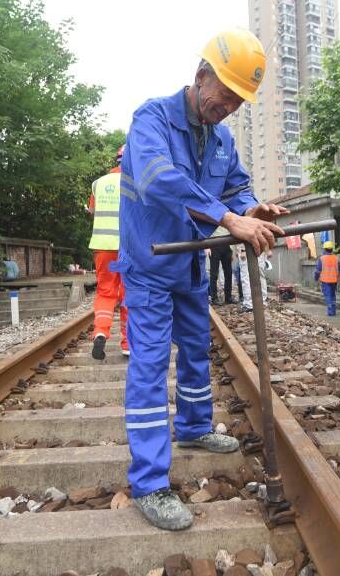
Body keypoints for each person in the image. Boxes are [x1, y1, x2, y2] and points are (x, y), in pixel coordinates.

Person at [116, 28, 288, 530]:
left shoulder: (221, 138)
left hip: (190, 263)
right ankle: (149, 482)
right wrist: (229, 219)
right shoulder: (152, 119)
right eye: (226, 94)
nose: (230, 106)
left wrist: (249, 207)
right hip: (149, 266)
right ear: (200, 77)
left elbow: (234, 185)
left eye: (238, 101)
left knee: (195, 350)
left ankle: (192, 427)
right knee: (150, 365)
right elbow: (157, 179)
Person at [87, 145, 129, 360]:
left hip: (103, 247)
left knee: (105, 292)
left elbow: (93, 211)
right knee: (127, 292)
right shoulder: (136, 182)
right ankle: (127, 343)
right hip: (127, 250)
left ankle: (100, 331)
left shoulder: (98, 183)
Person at [237, 243, 271, 311]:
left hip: (247, 246)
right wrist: (268, 249)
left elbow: (245, 232)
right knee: (261, 275)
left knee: (246, 276)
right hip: (260, 246)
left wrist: (243, 250)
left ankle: (248, 304)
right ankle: (262, 301)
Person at [314, 240, 340, 316]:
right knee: (333, 295)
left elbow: (317, 271)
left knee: (328, 296)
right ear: (332, 249)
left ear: (324, 249)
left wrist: (316, 278)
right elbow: (339, 270)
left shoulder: (322, 259)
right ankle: (333, 311)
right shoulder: (336, 258)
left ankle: (331, 312)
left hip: (325, 281)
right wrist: (337, 278)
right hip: (334, 281)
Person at [208, 239, 234, 305]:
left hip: (227, 244)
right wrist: (207, 247)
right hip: (213, 244)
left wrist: (232, 249)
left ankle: (228, 297)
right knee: (214, 274)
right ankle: (214, 298)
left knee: (229, 273)